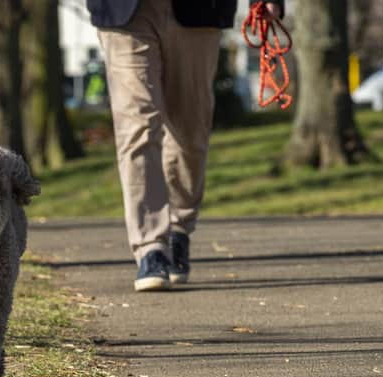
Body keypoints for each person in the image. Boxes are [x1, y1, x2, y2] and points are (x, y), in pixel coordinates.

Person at [86, 0, 284, 291]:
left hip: (199, 12)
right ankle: (150, 246)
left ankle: (179, 227)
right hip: (125, 13)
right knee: (137, 124)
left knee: (190, 131)